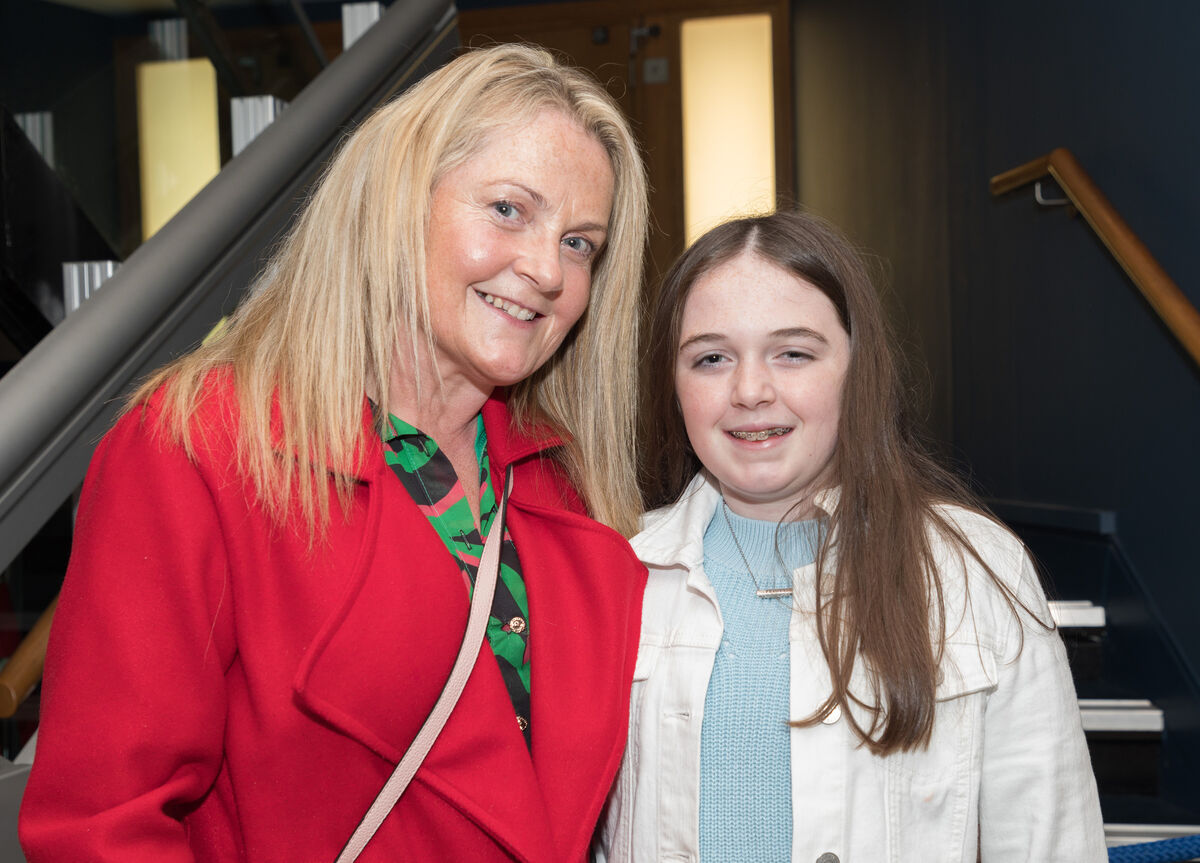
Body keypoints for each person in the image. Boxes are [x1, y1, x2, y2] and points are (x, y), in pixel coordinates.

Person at [20, 44, 650, 862]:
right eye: (507, 209)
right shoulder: (202, 448)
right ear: (398, 202)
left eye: (580, 244)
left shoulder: (570, 492)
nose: (544, 269)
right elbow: (102, 827)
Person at [596, 210, 1106, 862]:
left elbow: (1052, 843)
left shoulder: (978, 573)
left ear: (857, 368)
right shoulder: (614, 573)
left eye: (794, 353)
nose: (750, 389)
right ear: (674, 384)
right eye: (712, 358)